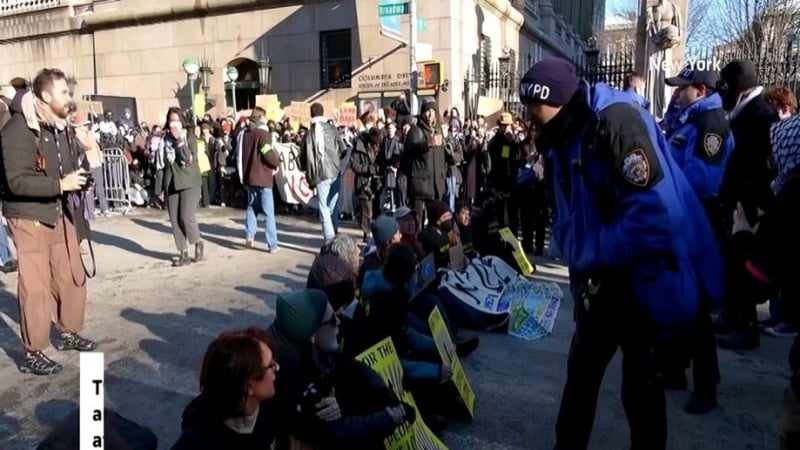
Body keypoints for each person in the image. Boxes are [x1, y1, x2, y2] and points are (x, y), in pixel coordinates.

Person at [521, 57, 723, 449]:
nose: (529, 118)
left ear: (557, 102)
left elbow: (658, 214)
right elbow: (573, 213)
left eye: (534, 108)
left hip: (640, 282)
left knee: (641, 389)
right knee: (580, 380)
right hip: (600, 283)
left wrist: (593, 251)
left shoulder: (614, 123)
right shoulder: (560, 135)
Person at [0, 69, 97, 375]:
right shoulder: (18, 129)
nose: (69, 97)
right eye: (63, 92)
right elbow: (16, 181)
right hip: (28, 215)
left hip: (59, 209)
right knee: (36, 285)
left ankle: (68, 332)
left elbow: (66, 169)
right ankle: (33, 351)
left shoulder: (60, 127)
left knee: (70, 273)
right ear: (45, 96)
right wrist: (60, 185)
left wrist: (80, 177)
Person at [662, 66, 734, 413]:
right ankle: (675, 368)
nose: (677, 93)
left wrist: (664, 187)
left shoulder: (710, 124)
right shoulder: (690, 120)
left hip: (698, 220)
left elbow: (703, 180)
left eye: (683, 88)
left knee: (697, 306)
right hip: (683, 218)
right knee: (678, 297)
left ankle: (707, 385)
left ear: (701, 91)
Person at [266, 289, 414, 449]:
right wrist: (388, 418)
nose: (338, 321)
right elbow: (335, 434)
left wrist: (385, 396)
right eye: (331, 320)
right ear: (312, 335)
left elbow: (355, 368)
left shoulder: (306, 345)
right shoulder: (289, 375)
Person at [716, 59, 780, 350]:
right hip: (737, 201)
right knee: (732, 261)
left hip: (749, 205)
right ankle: (732, 315)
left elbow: (763, 166)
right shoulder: (745, 112)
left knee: (743, 263)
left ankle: (745, 325)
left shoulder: (761, 115)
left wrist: (750, 205)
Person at [170, 328, 278, 449]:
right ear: (249, 385)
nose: (277, 368)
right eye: (271, 365)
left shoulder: (270, 403)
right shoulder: (199, 442)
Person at [158, 107, 204, 266]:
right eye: (171, 121)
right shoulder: (164, 140)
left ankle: (197, 241)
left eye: (176, 121)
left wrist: (179, 141)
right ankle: (183, 253)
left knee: (186, 216)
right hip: (171, 183)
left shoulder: (189, 137)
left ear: (182, 122)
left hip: (189, 181)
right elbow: (161, 165)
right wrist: (160, 188)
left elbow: (188, 159)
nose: (173, 124)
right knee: (175, 219)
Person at [300, 102, 347, 242]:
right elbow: (343, 149)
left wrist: (306, 171)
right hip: (335, 171)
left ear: (311, 114)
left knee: (323, 207)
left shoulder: (308, 134)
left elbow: (303, 158)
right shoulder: (332, 129)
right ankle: (334, 232)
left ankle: (329, 237)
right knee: (332, 205)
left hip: (321, 174)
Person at [239, 107, 281, 252]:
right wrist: (277, 163)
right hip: (263, 177)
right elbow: (266, 152)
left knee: (251, 208)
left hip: (250, 177)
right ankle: (272, 244)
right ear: (261, 117)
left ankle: (250, 236)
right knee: (269, 213)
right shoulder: (263, 134)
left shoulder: (245, 134)